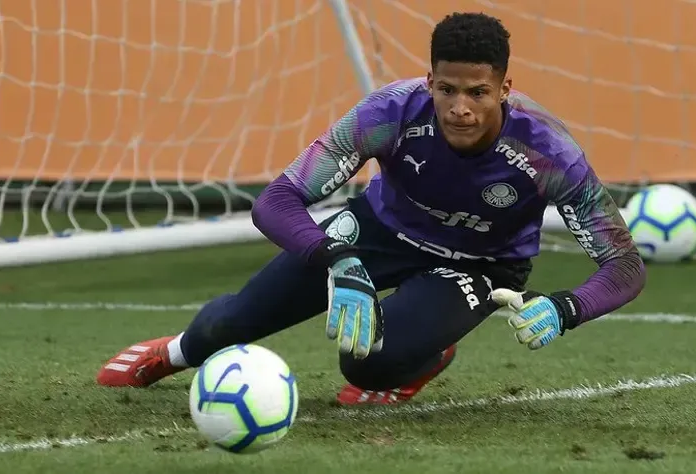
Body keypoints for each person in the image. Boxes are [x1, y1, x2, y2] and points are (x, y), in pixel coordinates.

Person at [96, 12, 646, 405]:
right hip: (379, 229)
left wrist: (565, 308)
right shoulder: (388, 113)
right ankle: (170, 353)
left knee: (366, 364)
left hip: (479, 265)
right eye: (447, 89)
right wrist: (337, 257)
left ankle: (427, 353)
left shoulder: (550, 154)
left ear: (505, 88)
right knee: (236, 320)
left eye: (478, 92)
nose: (460, 109)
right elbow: (276, 202)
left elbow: (624, 266)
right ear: (428, 81)